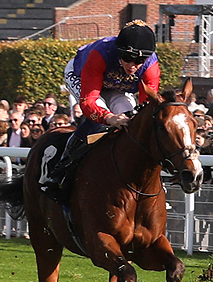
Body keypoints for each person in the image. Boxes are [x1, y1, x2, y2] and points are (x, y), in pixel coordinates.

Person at [38, 21, 162, 200]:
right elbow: (89, 101)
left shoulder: (151, 67)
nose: (133, 66)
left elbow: (146, 108)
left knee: (131, 121)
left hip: (116, 85)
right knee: (99, 121)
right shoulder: (100, 54)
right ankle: (61, 168)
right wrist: (109, 118)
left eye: (139, 61)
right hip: (82, 76)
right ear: (120, 52)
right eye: (128, 58)